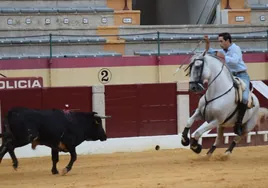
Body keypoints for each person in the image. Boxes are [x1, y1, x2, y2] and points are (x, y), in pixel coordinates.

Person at [204, 32, 250, 136]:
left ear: (227, 41)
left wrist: (222, 56)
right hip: (230, 76)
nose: (220, 44)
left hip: (242, 76)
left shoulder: (235, 49)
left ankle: (238, 123)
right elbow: (209, 52)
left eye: (221, 41)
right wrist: (207, 43)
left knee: (244, 98)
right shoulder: (223, 51)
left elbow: (235, 61)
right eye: (219, 41)